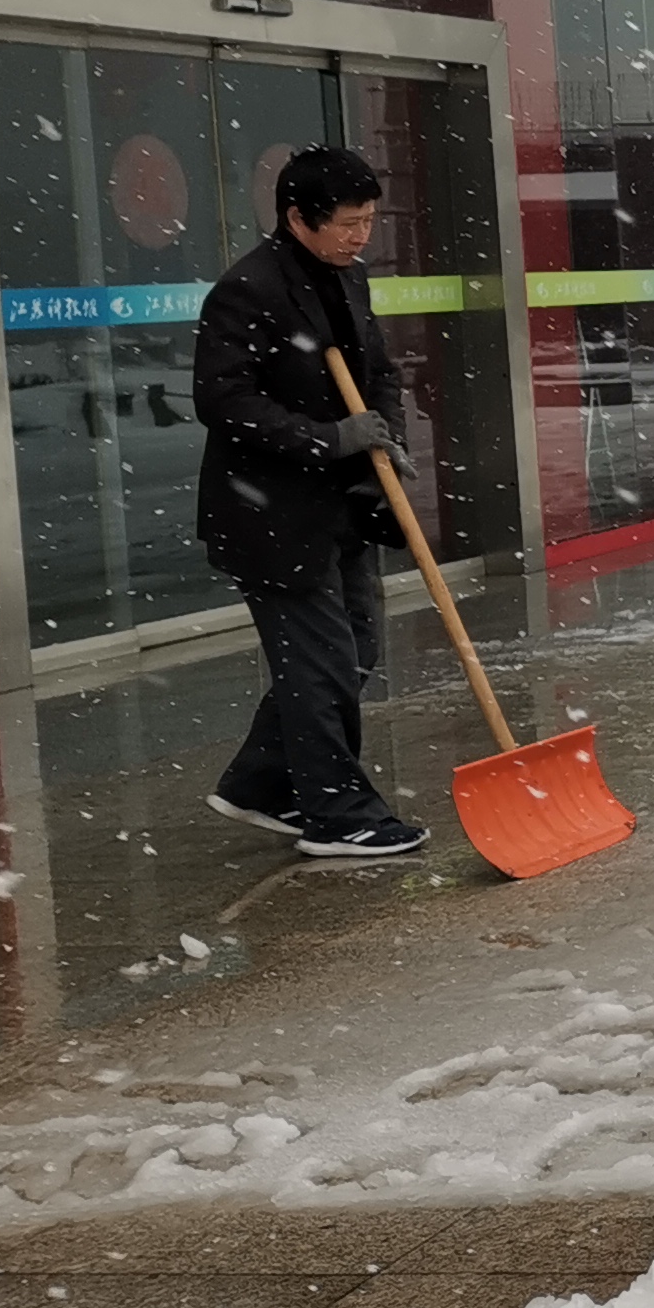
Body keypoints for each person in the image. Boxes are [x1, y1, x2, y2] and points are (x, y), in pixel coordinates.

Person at [192, 145, 428, 860]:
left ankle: (263, 783)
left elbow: (378, 372)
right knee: (321, 661)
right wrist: (328, 438)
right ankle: (337, 812)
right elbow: (224, 401)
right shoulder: (247, 290)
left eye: (369, 221)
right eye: (348, 223)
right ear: (298, 218)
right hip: (270, 514)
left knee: (354, 648)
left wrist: (382, 440)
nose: (361, 236)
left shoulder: (348, 278)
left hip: (342, 505)